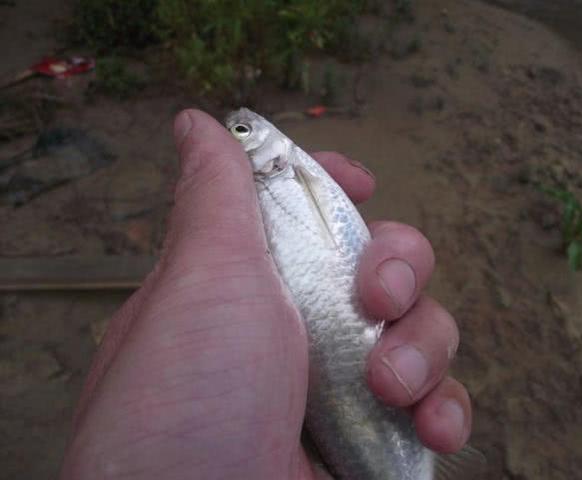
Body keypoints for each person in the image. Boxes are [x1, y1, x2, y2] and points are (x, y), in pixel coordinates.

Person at [60, 110, 472, 479]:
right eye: (242, 130)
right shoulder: (262, 188)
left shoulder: (266, 190)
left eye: (240, 130)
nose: (245, 125)